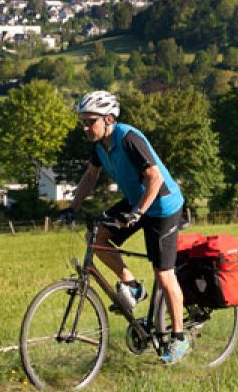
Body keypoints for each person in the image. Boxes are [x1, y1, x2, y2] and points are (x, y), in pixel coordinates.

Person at [70, 90, 192, 364]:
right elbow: (91, 175)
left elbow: (155, 177)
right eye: (83, 122)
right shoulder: (100, 145)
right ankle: (132, 284)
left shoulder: (128, 138)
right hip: (137, 201)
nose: (86, 127)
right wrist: (72, 208)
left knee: (164, 274)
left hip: (162, 206)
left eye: (91, 121)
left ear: (109, 119)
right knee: (98, 238)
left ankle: (179, 338)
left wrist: (137, 213)